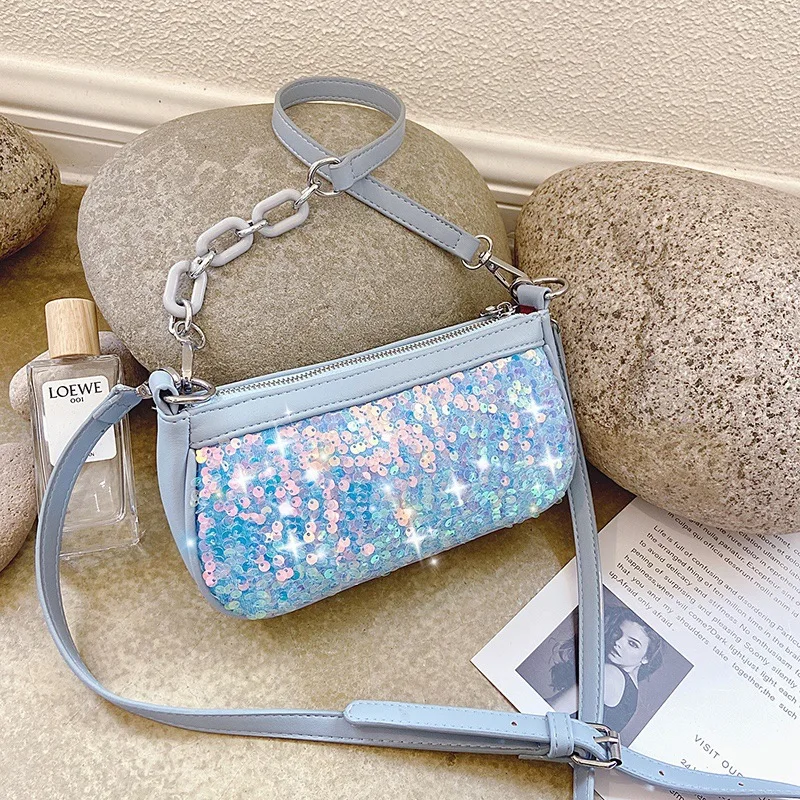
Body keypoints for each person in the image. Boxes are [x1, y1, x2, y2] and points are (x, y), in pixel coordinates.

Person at [547, 607, 664, 736]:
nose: (618, 642)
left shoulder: (611, 674)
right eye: (618, 633)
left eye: (632, 644)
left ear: (646, 658)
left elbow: (550, 711)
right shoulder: (631, 695)